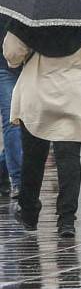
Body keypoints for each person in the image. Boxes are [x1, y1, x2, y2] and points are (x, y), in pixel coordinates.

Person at [4, 32, 81, 238]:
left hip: (38, 92)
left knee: (33, 157)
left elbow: (13, 54)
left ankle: (29, 212)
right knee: (69, 157)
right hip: (73, 93)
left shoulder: (29, 15)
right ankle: (66, 219)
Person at [0, 16, 21, 200]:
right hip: (9, 65)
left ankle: (7, 171)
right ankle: (18, 180)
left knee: (14, 122)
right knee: (13, 122)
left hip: (19, 64)